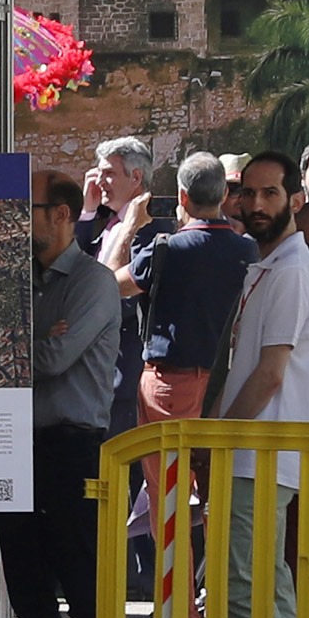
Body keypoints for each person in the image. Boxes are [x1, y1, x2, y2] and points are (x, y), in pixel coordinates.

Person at [0, 171, 124, 618]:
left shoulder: (92, 283)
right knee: (29, 594)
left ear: (64, 214)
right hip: (12, 447)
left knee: (87, 595)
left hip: (72, 452)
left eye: (31, 208)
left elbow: (52, 357)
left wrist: (13, 345)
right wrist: (24, 342)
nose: (21, 219)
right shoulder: (17, 281)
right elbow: (11, 347)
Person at [209, 150, 309, 618]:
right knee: (266, 587)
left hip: (259, 453)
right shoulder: (271, 264)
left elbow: (270, 373)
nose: (256, 205)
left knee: (242, 587)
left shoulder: (288, 269)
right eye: (249, 193)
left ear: (294, 200)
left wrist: (219, 438)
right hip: (259, 453)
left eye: (270, 194)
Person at [132, 151, 252, 425]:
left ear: (182, 197)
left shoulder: (165, 250)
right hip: (228, 383)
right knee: (216, 467)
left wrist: (131, 226)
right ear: (223, 195)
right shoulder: (250, 251)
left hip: (171, 384)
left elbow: (112, 284)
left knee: (169, 468)